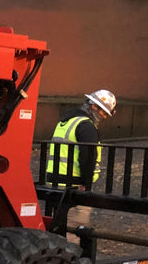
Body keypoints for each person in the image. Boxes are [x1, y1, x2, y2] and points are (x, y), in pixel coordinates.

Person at [46, 88, 116, 230]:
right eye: (103, 112)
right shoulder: (87, 126)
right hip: (74, 184)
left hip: (54, 181)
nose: (104, 117)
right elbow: (87, 157)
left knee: (59, 224)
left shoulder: (65, 122)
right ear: (93, 106)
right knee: (75, 227)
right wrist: (86, 183)